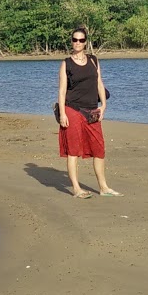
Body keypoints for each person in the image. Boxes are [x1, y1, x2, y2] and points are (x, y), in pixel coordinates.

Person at [57, 27, 119, 198]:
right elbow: (62, 91)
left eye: (81, 40)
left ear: (86, 42)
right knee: (74, 150)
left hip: (92, 109)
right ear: (71, 41)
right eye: (75, 40)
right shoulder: (66, 63)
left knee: (99, 149)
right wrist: (62, 114)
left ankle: (104, 187)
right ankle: (77, 189)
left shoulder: (93, 60)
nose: (78, 43)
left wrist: (104, 106)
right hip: (73, 109)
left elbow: (99, 83)